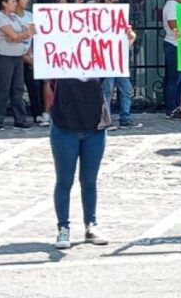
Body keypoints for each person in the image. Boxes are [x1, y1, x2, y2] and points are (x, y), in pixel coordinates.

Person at [49, 78, 110, 249]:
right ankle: (63, 227)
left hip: (95, 124)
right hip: (64, 125)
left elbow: (116, 57)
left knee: (89, 181)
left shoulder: (100, 59)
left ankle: (91, 225)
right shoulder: (59, 60)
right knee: (64, 181)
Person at [0, 0, 32, 130]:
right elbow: (12, 36)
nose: (15, 4)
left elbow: (27, 31)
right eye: (13, 1)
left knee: (18, 89)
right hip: (5, 56)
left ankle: (20, 119)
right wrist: (21, 35)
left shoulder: (14, 17)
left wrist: (20, 36)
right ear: (4, 3)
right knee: (4, 88)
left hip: (17, 56)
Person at [99, 0, 141, 129]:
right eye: (114, 0)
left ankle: (125, 118)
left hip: (119, 60)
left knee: (126, 89)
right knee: (107, 90)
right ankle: (107, 119)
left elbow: (129, 37)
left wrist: (130, 35)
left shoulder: (120, 18)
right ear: (106, 1)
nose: (116, 3)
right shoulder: (98, 18)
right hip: (106, 60)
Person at [14, 0, 48, 127]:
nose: (26, 1)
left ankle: (38, 113)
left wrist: (32, 53)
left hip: (31, 53)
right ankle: (19, 116)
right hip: (16, 54)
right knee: (17, 88)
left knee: (36, 84)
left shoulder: (30, 16)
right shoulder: (11, 18)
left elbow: (37, 36)